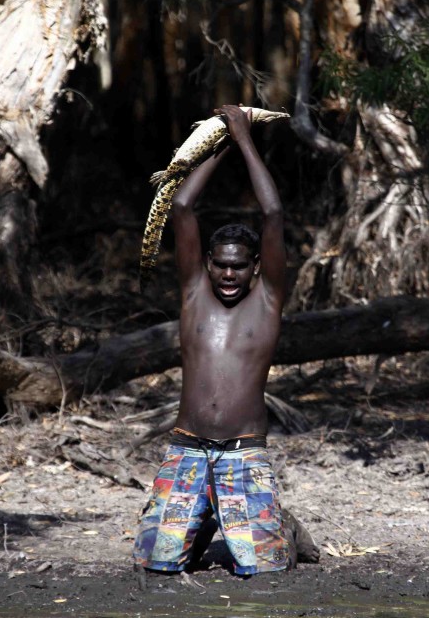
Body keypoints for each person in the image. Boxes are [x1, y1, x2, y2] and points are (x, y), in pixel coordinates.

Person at [133, 104, 297, 577]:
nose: (229, 273)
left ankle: (282, 527)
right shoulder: (193, 296)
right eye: (220, 264)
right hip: (186, 448)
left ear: (256, 268)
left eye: (239, 265)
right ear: (207, 264)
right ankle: (203, 519)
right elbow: (181, 207)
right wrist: (218, 141)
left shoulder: (266, 302)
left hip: (242, 451)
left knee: (264, 569)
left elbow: (273, 213)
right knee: (154, 563)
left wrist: (245, 138)